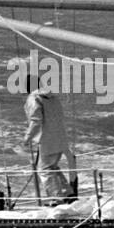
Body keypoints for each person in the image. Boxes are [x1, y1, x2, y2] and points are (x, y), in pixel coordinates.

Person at [24, 75, 77, 205]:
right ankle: (68, 194)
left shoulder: (34, 99)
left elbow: (36, 121)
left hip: (46, 141)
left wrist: (27, 137)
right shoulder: (53, 98)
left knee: (44, 170)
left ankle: (57, 198)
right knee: (52, 168)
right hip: (60, 139)